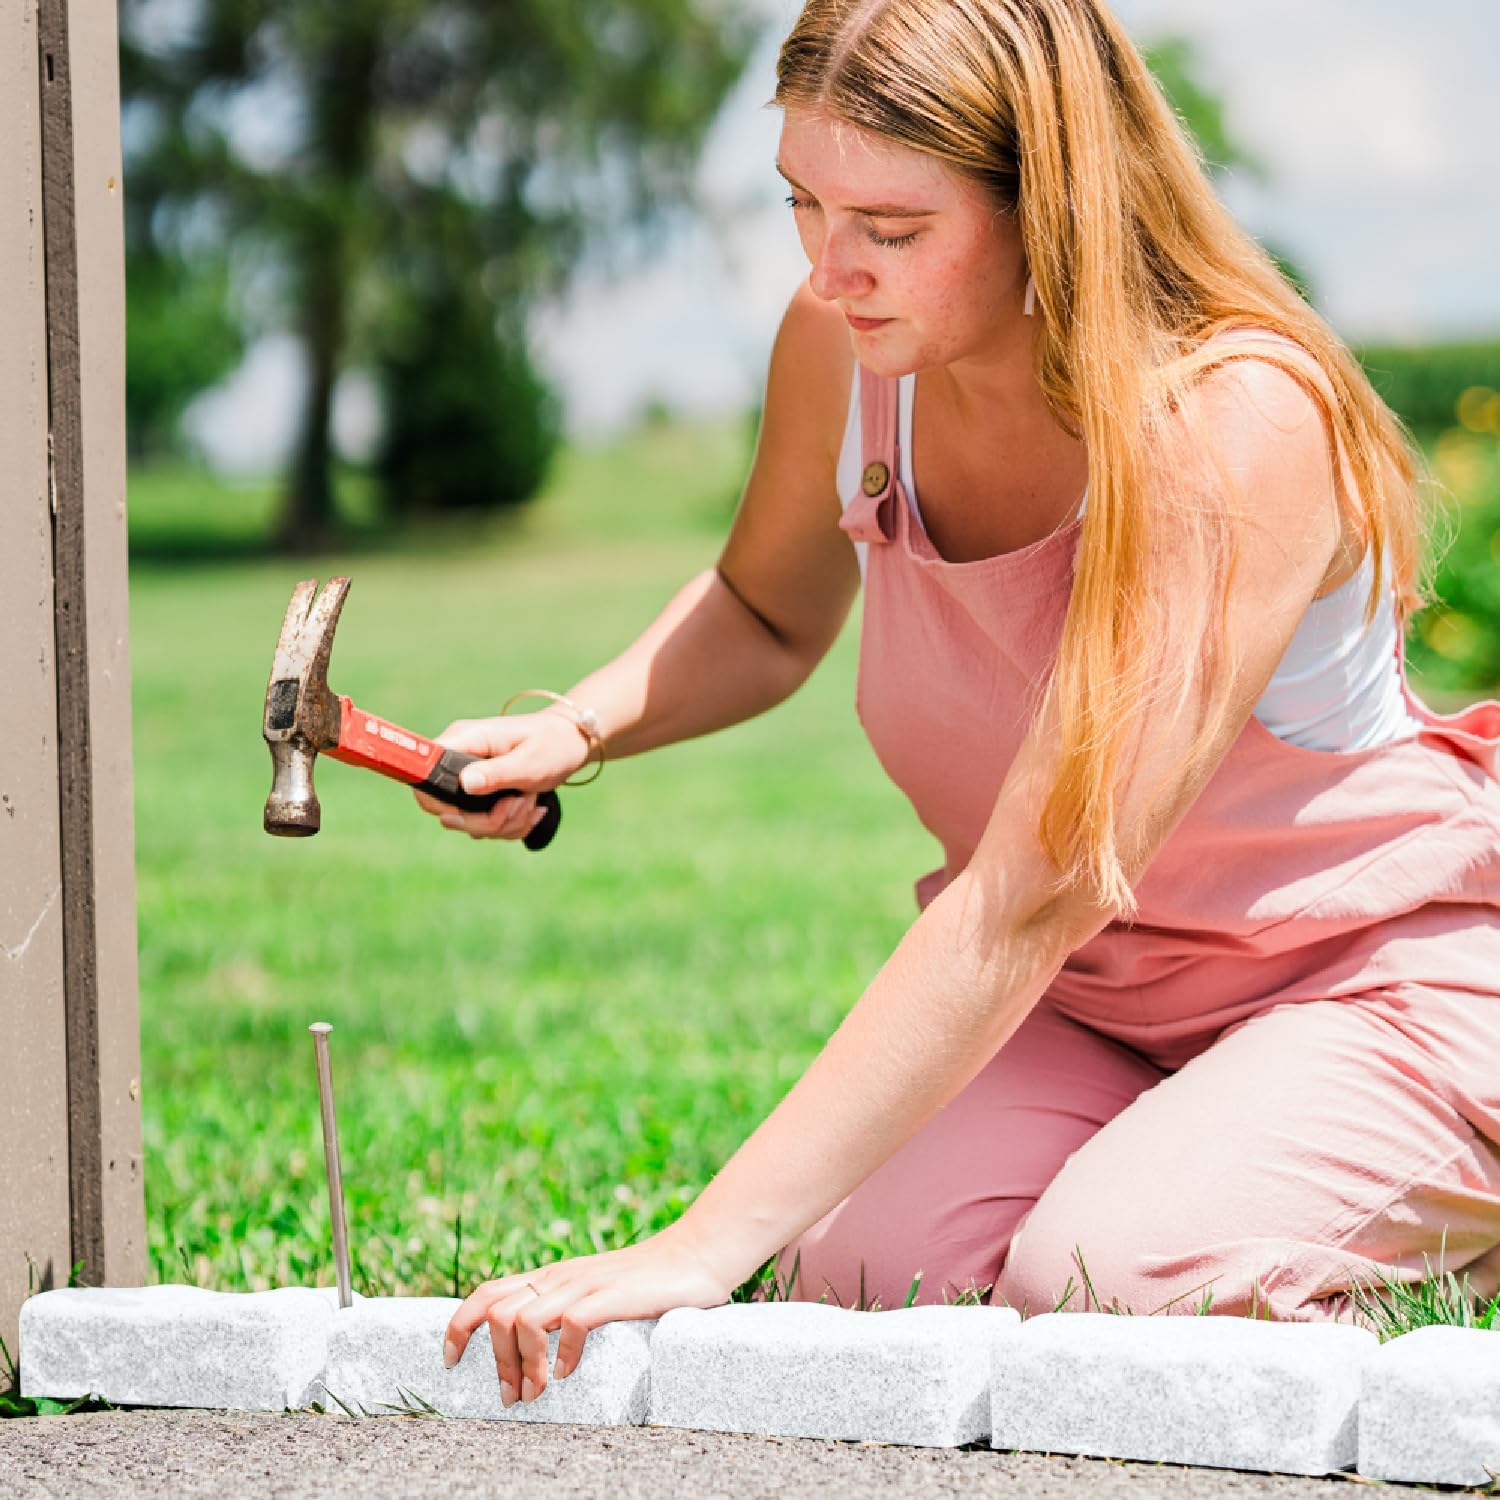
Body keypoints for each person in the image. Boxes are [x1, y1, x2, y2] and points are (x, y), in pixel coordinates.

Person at [423, 0, 1500, 1411]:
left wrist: (699, 1246)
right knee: (872, 1274)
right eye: (802, 202)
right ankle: (1203, 1150)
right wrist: (579, 723)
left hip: (1367, 976)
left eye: (890, 223)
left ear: (1052, 204)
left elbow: (1031, 887)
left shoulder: (1235, 419)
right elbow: (764, 608)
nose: (831, 265)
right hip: (1098, 996)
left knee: (1106, 1284)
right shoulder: (848, 349)